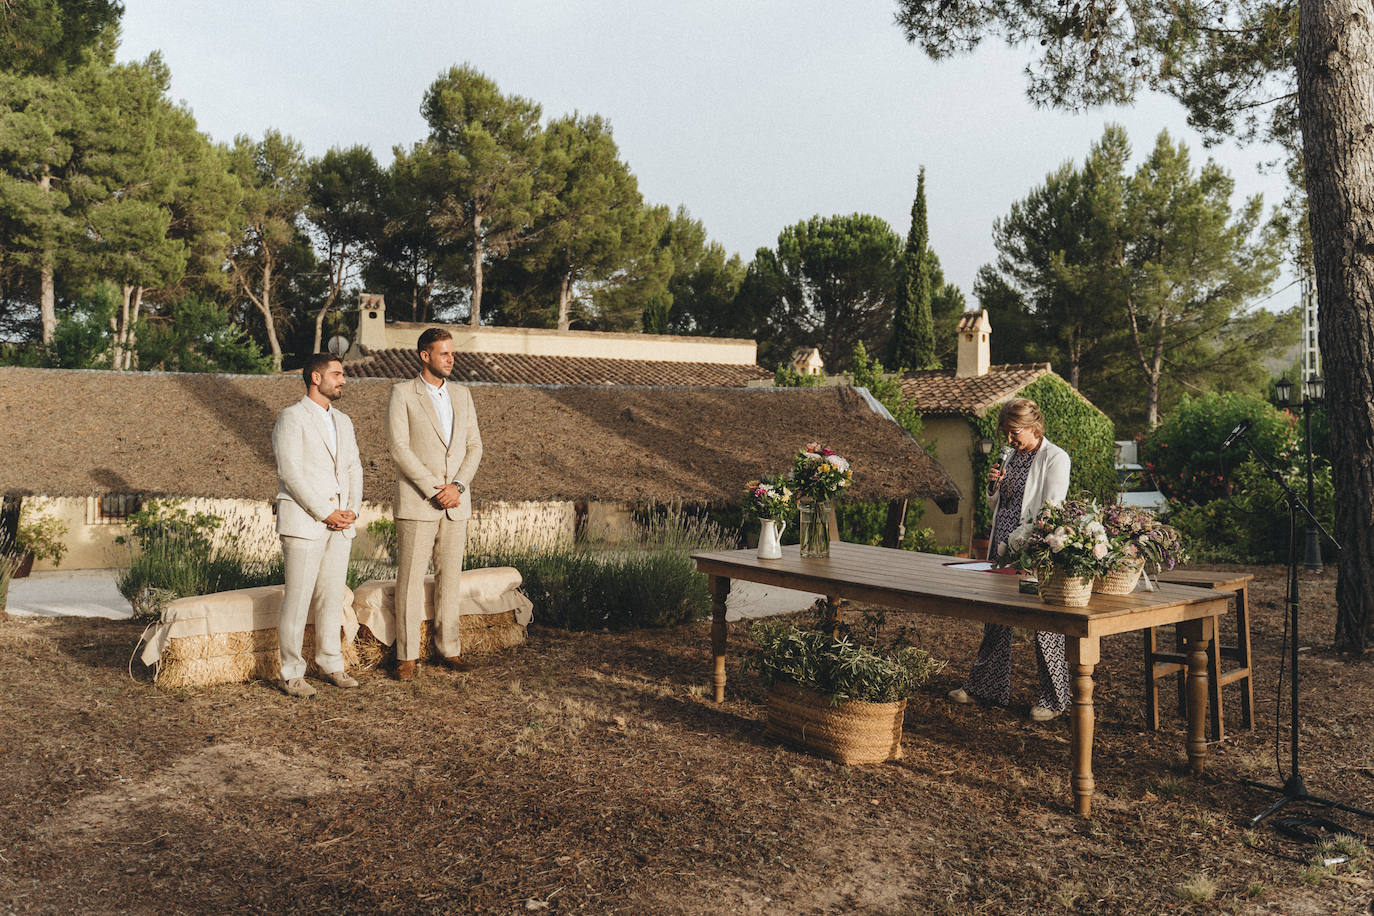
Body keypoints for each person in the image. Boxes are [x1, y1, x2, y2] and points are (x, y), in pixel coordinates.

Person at [948, 397, 1072, 721]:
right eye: (1005, 433)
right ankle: (985, 688)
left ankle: (1054, 699)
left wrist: (1027, 545)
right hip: (999, 546)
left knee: (1044, 624)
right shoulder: (1011, 456)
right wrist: (993, 486)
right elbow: (996, 506)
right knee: (996, 616)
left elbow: (1053, 509)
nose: (1008, 439)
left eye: (1013, 432)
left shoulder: (1055, 458)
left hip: (1032, 550)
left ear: (1033, 426)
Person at [387, 327, 483, 681]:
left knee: (450, 579)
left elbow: (475, 446)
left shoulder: (463, 394)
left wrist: (457, 486)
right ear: (425, 356)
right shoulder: (402, 394)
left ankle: (449, 649)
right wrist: (434, 489)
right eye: (444, 353)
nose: (451, 359)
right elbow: (399, 448)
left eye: (452, 353)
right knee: (410, 579)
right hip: (418, 502)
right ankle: (407, 656)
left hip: (457, 501)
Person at [271, 353, 364, 698]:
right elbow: (290, 473)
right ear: (315, 377)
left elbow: (354, 469)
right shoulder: (291, 418)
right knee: (297, 599)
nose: (343, 380)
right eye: (337, 374)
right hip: (305, 521)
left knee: (331, 596)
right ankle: (291, 672)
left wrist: (351, 509)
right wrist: (326, 511)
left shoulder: (344, 421)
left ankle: (331, 663)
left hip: (341, 524)